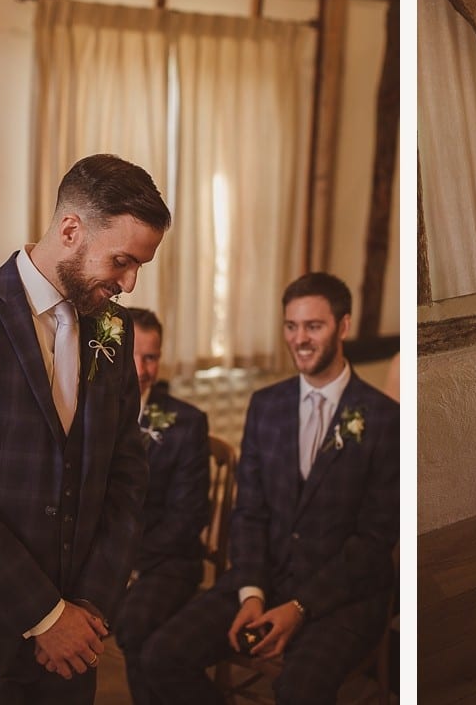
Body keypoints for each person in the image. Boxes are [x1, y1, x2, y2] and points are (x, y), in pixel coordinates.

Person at [0, 154, 171, 704]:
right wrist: (46, 617)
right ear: (71, 229)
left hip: (77, 637)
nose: (130, 283)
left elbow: (126, 478)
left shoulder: (114, 331)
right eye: (121, 260)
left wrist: (88, 608)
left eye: (139, 265)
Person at [137, 272, 398, 704]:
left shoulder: (386, 420)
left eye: (314, 326)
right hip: (264, 582)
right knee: (161, 656)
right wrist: (252, 592)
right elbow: (249, 513)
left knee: (299, 690)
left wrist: (300, 607)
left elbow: (373, 543)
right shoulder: (266, 405)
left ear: (343, 327)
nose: (300, 339)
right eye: (291, 326)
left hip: (343, 599)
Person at [115, 308, 211, 705]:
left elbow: (188, 519)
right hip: (108, 556)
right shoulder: (92, 414)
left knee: (134, 626)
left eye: (151, 357)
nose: (141, 369)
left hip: (169, 561)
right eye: (134, 355)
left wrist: (129, 560)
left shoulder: (187, 424)